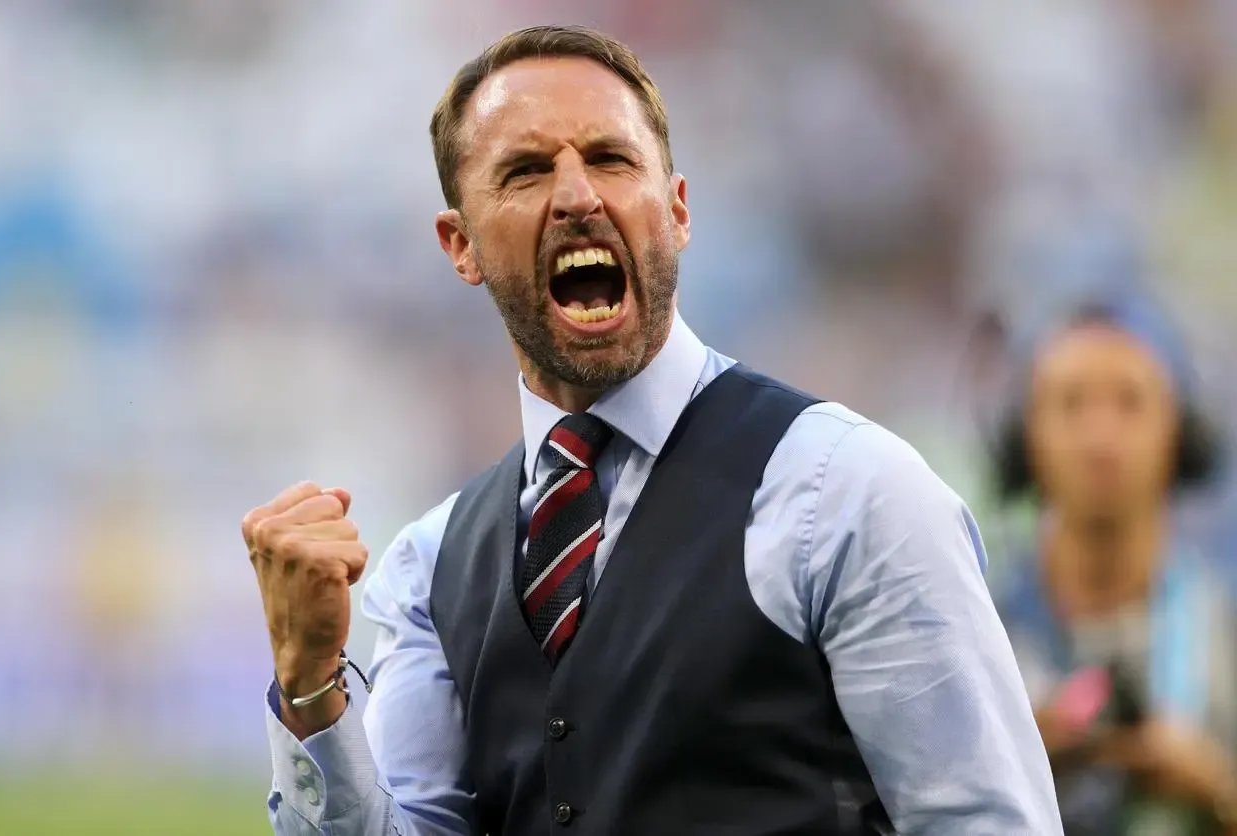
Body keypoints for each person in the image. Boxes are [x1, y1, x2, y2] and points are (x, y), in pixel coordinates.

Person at [243, 24, 1061, 835]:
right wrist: (313, 683)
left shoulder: (849, 495)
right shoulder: (430, 566)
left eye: (609, 158)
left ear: (676, 211)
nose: (576, 196)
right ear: (461, 245)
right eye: (526, 171)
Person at [990, 298, 1236, 834]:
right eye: (1071, 403)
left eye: (1130, 402)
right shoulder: (974, 634)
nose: (1100, 439)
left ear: (1183, 430)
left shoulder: (1225, 630)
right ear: (1023, 436)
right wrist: (1000, 768)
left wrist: (1214, 790)